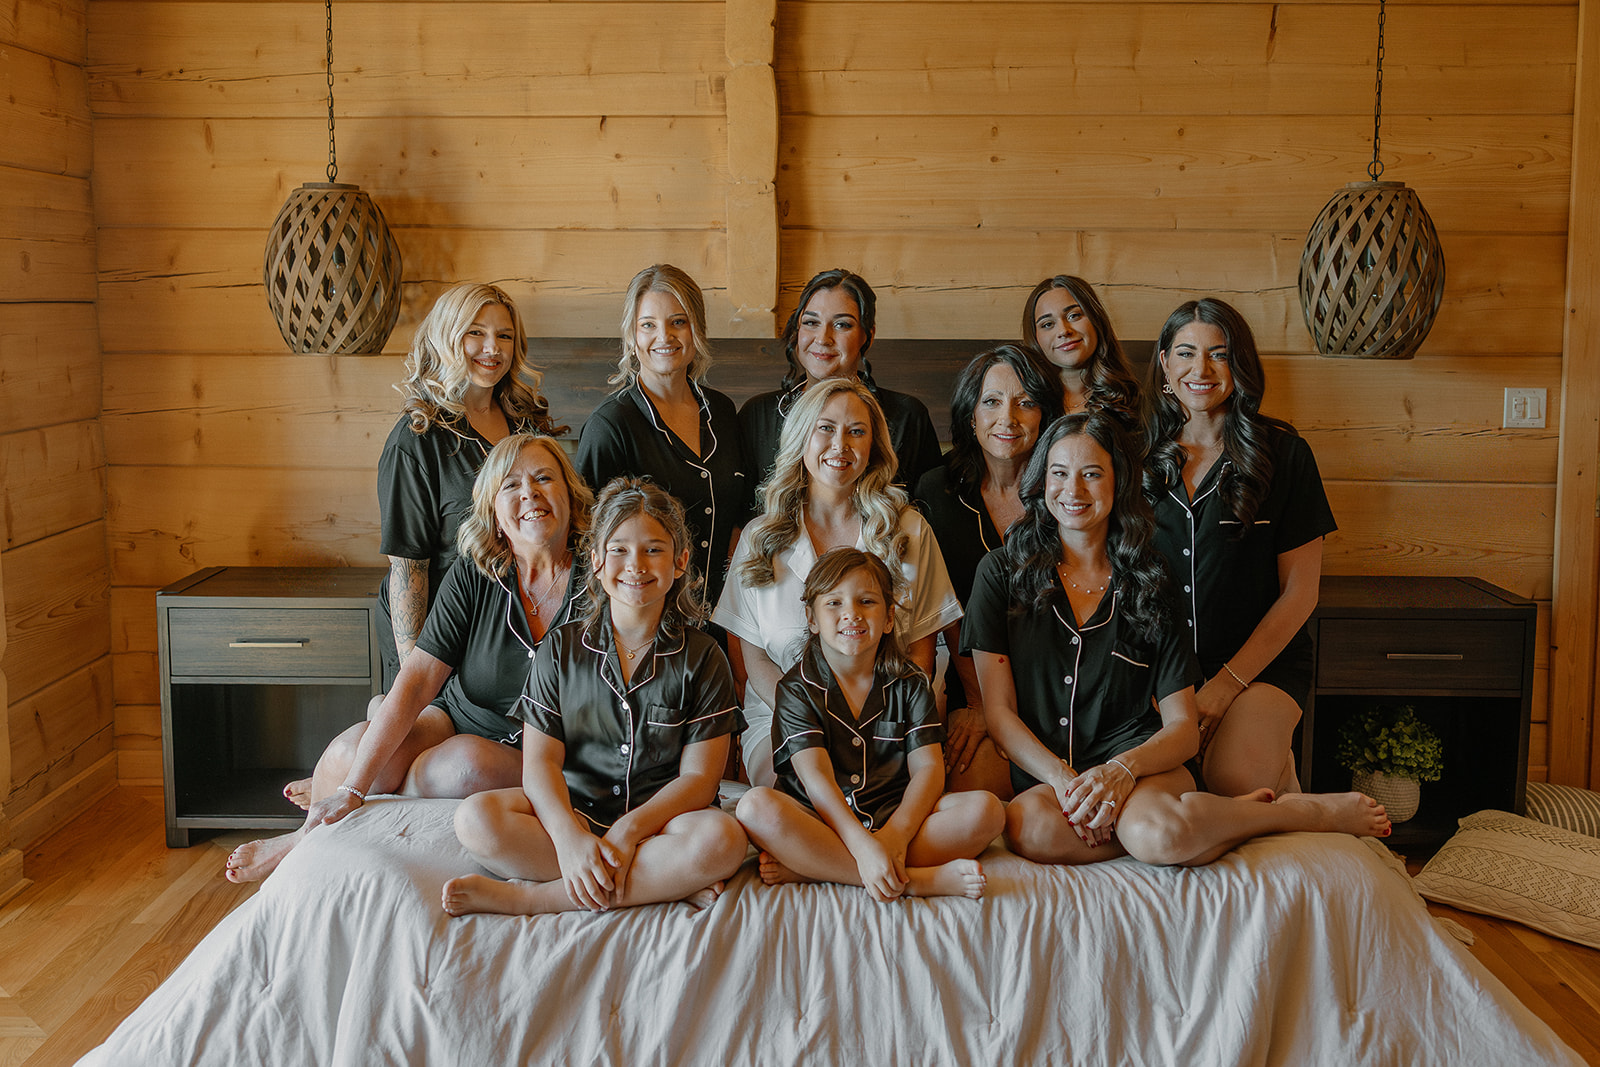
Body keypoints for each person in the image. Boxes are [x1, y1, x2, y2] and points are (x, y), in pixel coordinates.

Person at [964, 413, 1389, 867]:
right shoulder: (1001, 573)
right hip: (1053, 777)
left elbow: (1183, 730)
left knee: (1157, 838)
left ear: (1119, 482)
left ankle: (1290, 815)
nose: (1074, 491)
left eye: (1092, 474)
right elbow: (1000, 714)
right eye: (1060, 473)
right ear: (1041, 480)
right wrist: (1070, 784)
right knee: (1029, 829)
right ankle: (1221, 818)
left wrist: (1121, 771)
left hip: (1141, 767)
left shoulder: (1151, 579)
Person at [224, 435, 592, 883]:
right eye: (510, 485)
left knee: (460, 764)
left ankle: (389, 781)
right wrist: (354, 789)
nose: (529, 493)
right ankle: (304, 840)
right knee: (347, 752)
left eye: (543, 478)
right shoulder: (475, 572)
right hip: (459, 715)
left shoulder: (600, 579)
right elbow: (419, 679)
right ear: (495, 515)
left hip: (540, 747)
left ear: (571, 496)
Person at [441, 479, 748, 917]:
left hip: (661, 826)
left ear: (680, 561)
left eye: (654, 550)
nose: (635, 564)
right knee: (475, 819)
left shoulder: (704, 657)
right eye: (619, 549)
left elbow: (699, 781)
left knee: (725, 839)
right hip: (576, 811)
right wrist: (568, 839)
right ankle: (658, 883)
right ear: (597, 563)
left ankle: (536, 899)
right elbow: (540, 764)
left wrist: (627, 831)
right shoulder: (561, 649)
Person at [715, 378, 962, 789]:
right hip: (785, 715)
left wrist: (877, 717)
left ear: (874, 447)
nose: (840, 445)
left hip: (890, 719)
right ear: (801, 437)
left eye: (857, 431)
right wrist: (808, 714)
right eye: (825, 428)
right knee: (790, 796)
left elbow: (922, 647)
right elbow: (751, 657)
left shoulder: (908, 530)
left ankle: (840, 850)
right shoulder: (760, 537)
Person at [1142, 298, 1338, 798]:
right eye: (1185, 353)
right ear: (1165, 364)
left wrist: (1226, 685)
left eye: (1219, 354)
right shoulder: (1137, 458)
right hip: (1161, 673)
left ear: (1240, 364)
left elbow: (1300, 593)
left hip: (1260, 670)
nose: (1200, 370)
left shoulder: (1285, 453)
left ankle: (1293, 791)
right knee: (1168, 791)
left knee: (1231, 782)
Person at [736, 548, 1002, 900]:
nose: (851, 614)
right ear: (811, 618)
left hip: (895, 815)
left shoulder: (910, 684)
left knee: (987, 812)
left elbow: (928, 771)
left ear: (890, 618)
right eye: (834, 603)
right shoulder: (795, 689)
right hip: (822, 821)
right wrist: (862, 846)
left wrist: (896, 835)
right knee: (754, 808)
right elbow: (816, 779)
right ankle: (916, 882)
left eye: (866, 602)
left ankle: (816, 869)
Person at [376, 282, 563, 690]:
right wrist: (416, 679)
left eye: (504, 335)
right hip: (439, 629)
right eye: (475, 333)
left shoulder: (525, 424)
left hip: (508, 625)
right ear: (447, 337)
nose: (492, 347)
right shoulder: (416, 439)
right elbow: (409, 568)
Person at [914, 344, 1063, 796]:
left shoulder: (1068, 486)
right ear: (970, 415)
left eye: (1026, 402)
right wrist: (979, 702)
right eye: (992, 402)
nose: (1008, 418)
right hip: (973, 681)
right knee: (973, 795)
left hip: (1061, 682)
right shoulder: (936, 491)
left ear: (1046, 415)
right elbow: (946, 607)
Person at [576, 264, 751, 607]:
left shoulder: (724, 412)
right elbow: (587, 538)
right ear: (632, 335)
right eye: (648, 325)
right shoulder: (610, 425)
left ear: (696, 328)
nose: (664, 337)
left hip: (727, 613)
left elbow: (742, 515)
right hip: (649, 616)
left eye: (678, 322)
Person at [740, 269, 942, 491]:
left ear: (868, 336)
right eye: (810, 322)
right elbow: (740, 518)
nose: (823, 338)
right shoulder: (758, 415)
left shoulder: (907, 417)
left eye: (842, 325)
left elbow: (927, 510)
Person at [1021, 275, 1140, 422]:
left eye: (1074, 316)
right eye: (1047, 324)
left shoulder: (1136, 401)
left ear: (1096, 319)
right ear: (1035, 338)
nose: (1064, 331)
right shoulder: (1026, 406)